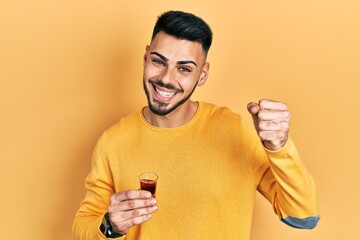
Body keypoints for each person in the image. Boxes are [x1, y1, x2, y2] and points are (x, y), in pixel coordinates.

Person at [72, 10, 320, 240]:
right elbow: (83, 224)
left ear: (202, 74)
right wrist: (110, 226)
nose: (166, 79)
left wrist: (279, 147)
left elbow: (303, 217)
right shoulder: (113, 141)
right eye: (159, 61)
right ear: (146, 56)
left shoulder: (233, 130)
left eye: (184, 68)